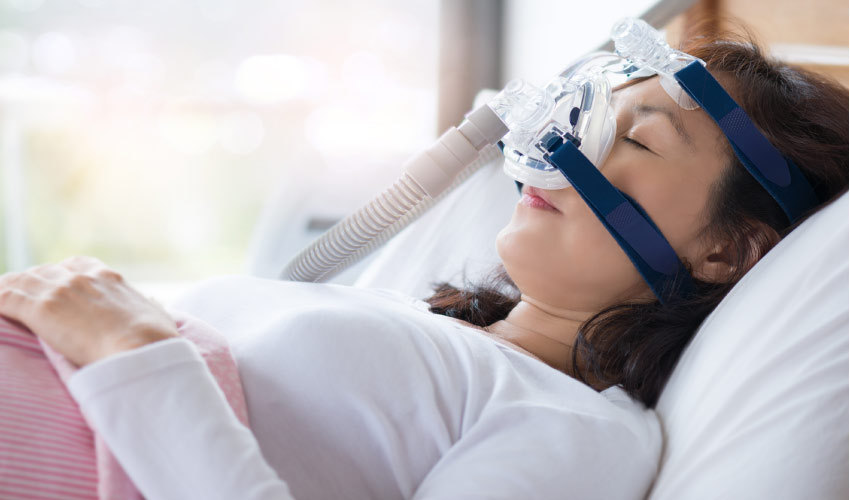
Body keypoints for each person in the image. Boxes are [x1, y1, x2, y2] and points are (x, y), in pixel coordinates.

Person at [0, 26, 847, 500]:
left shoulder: (581, 434)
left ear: (726, 251)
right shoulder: (419, 322)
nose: (560, 147)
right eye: (586, 114)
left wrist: (133, 353)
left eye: (632, 139)